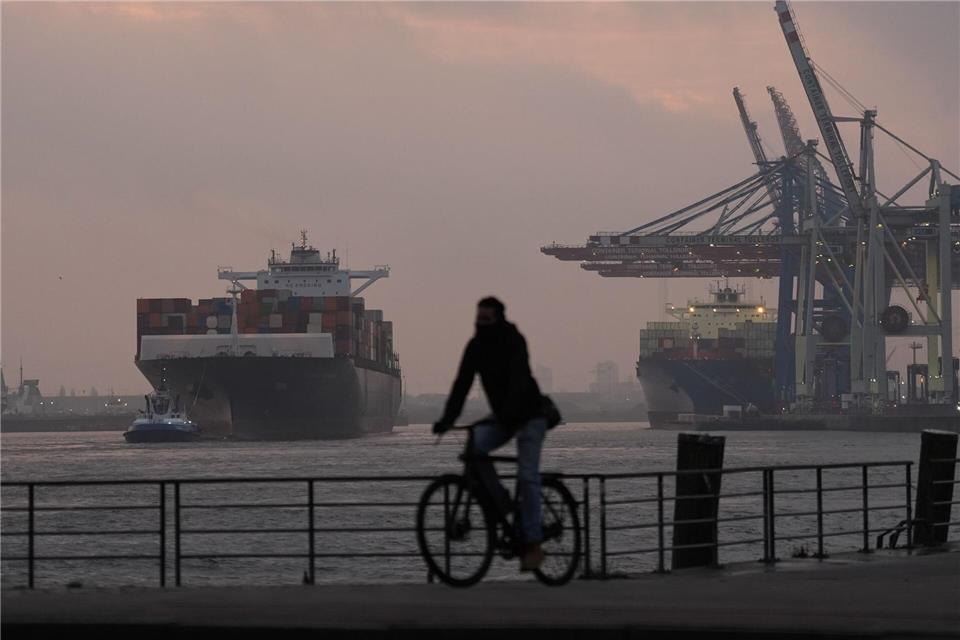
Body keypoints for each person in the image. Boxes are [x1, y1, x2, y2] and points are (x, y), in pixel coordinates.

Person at [433, 296, 549, 571]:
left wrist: (509, 414)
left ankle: (534, 544)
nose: (481, 324)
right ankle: (502, 502)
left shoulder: (514, 340)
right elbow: (461, 384)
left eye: (486, 319)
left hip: (530, 415)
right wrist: (447, 419)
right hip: (504, 417)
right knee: (475, 448)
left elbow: (519, 380)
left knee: (528, 476)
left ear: (499, 319)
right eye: (478, 319)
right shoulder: (475, 347)